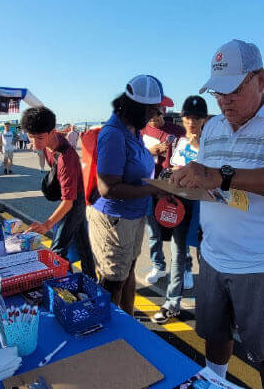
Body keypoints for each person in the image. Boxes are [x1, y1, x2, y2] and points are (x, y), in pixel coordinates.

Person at [171, 39, 264, 387]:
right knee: (214, 335)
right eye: (218, 92)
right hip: (215, 255)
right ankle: (215, 382)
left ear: (260, 79)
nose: (223, 101)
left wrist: (225, 176)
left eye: (232, 90)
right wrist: (184, 179)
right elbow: (205, 173)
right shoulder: (214, 127)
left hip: (262, 262)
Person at [87, 75, 165, 315]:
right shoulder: (114, 134)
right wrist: (153, 189)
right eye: (153, 110)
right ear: (138, 108)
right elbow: (107, 189)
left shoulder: (134, 132)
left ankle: (128, 323)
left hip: (133, 216)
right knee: (112, 281)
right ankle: (109, 335)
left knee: (128, 270)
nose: (156, 115)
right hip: (115, 220)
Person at [150, 95, 208, 324]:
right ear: (182, 118)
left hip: (205, 208)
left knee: (207, 257)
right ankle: (172, 301)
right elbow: (170, 168)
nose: (191, 122)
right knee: (177, 252)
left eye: (196, 118)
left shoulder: (212, 144)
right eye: (188, 117)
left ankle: (208, 304)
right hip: (181, 205)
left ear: (204, 119)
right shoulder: (179, 142)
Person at [21, 107, 96, 279]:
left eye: (39, 138)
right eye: (31, 137)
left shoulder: (66, 158)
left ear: (52, 132)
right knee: (83, 245)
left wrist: (46, 225)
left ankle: (64, 287)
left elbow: (68, 203)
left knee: (57, 250)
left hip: (75, 202)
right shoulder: (49, 144)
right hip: (71, 197)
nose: (35, 143)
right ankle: (91, 280)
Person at [141, 99, 185, 285]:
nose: (153, 120)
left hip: (175, 186)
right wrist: (150, 151)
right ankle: (158, 266)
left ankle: (182, 269)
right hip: (150, 187)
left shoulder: (178, 131)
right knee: (153, 231)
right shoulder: (140, 132)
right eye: (149, 116)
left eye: (156, 115)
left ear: (163, 112)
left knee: (179, 231)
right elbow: (132, 156)